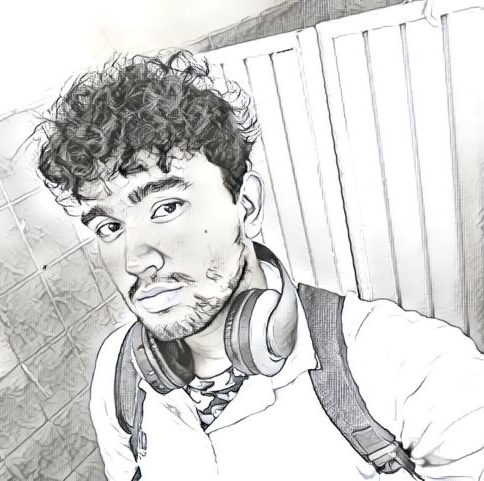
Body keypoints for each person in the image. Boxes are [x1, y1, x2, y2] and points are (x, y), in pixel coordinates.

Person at [36, 51, 484, 480]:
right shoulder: (118, 371)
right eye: (109, 227)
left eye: (167, 207)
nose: (135, 260)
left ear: (246, 206)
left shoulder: (414, 365)